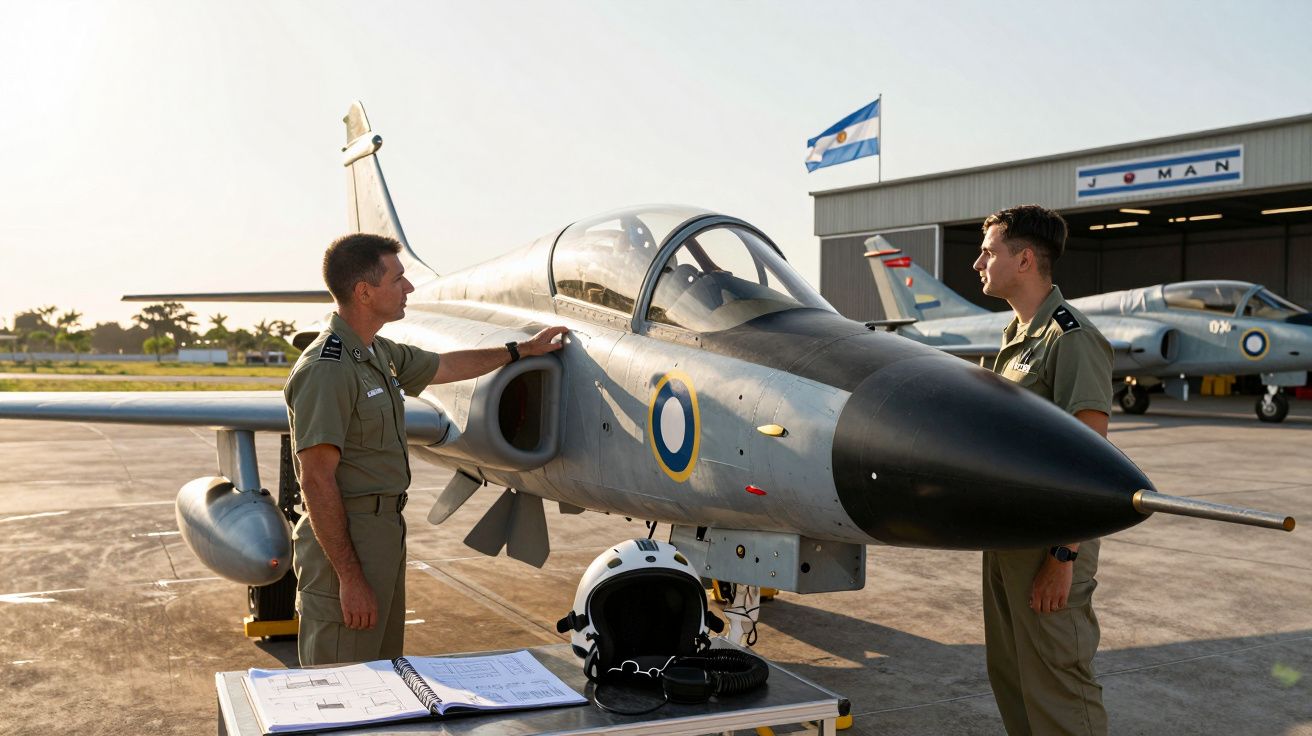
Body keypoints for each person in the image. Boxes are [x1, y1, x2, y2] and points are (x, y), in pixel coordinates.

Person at [285, 233, 567, 666]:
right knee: (344, 679)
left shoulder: (376, 351)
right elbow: (316, 481)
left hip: (383, 534)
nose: (409, 287)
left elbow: (445, 365)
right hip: (347, 541)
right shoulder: (327, 368)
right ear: (364, 292)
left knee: (384, 673)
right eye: (397, 279)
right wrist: (350, 578)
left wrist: (521, 351)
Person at [973, 205, 1113, 735]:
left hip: (1049, 544)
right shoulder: (1016, 334)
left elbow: (1092, 458)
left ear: (1025, 259)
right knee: (1011, 677)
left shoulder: (1070, 337)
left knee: (1058, 685)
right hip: (1007, 537)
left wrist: (1063, 554)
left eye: (989, 252)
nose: (978, 263)